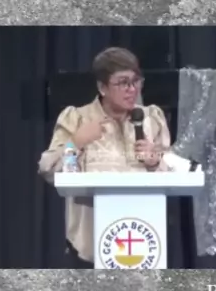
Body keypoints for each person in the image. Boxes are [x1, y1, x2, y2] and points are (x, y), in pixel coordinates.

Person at [38, 47, 172, 268]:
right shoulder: (77, 119)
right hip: (90, 249)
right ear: (102, 87)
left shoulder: (151, 119)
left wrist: (155, 160)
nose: (132, 89)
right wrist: (75, 143)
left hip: (144, 242)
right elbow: (50, 170)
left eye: (136, 81)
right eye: (123, 83)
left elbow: (177, 173)